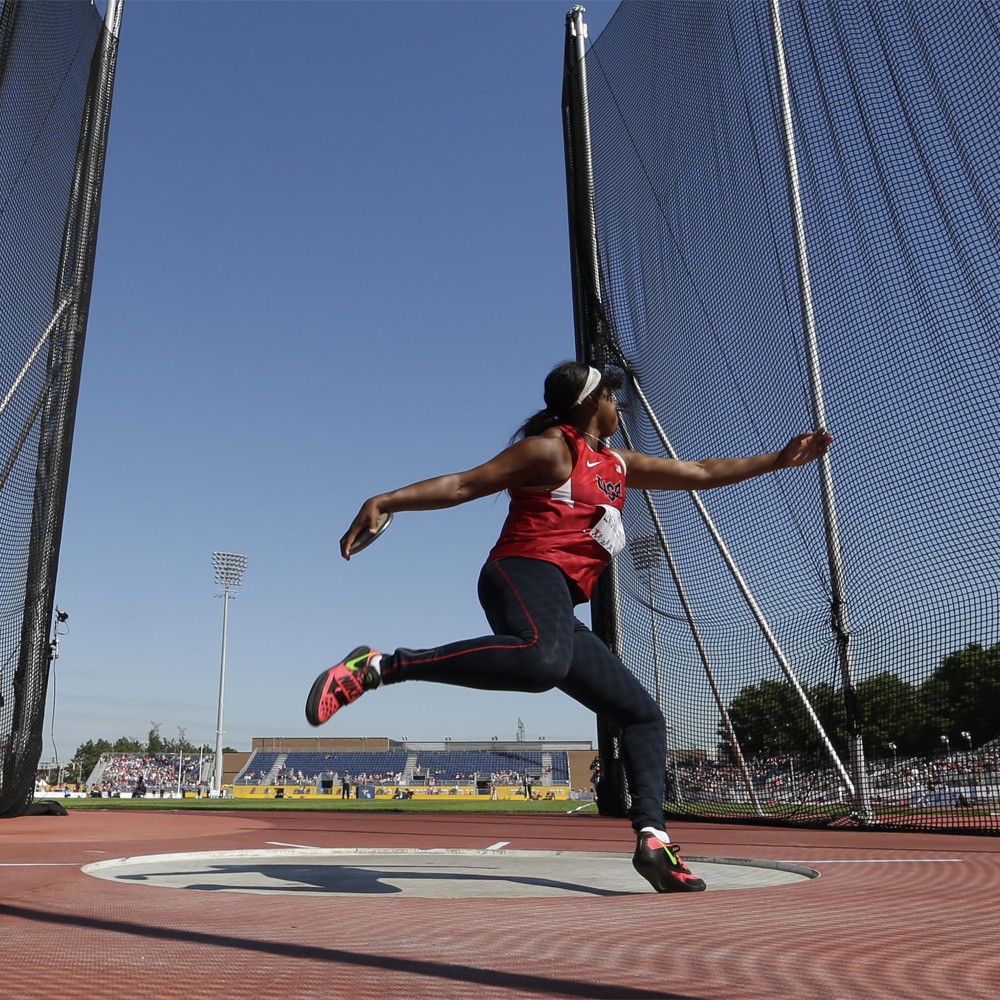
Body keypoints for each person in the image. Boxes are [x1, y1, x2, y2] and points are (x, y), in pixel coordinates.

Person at [305, 360, 831, 893]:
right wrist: (385, 501)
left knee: (642, 714)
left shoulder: (617, 464)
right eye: (612, 397)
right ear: (589, 402)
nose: (619, 406)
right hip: (520, 572)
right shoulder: (552, 449)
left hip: (560, 605)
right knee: (540, 661)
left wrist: (778, 461)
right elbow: (465, 484)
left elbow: (697, 473)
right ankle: (376, 667)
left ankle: (654, 837)